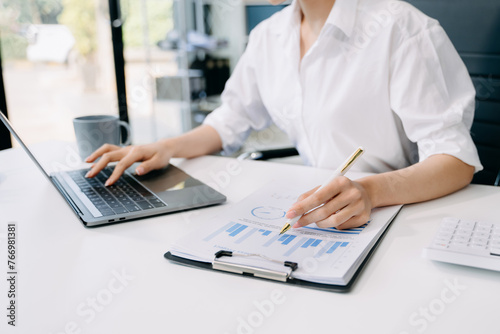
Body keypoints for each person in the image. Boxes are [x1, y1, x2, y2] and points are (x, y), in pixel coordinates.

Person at [85, 0, 482, 230]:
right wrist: (163, 147)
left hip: (396, 216)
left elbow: (455, 160)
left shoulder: (401, 28)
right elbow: (230, 119)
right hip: (318, 216)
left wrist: (371, 191)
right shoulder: (268, 37)